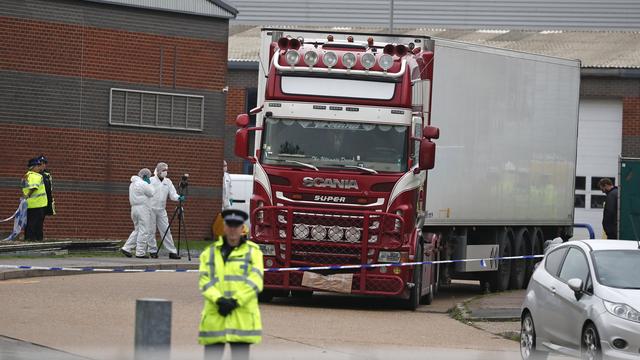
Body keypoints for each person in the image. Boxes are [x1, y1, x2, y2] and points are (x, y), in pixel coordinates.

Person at [198, 209, 263, 360]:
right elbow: (205, 281)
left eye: (237, 225)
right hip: (216, 316)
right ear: (224, 227)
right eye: (230, 225)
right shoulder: (209, 253)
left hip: (241, 318)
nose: (233, 229)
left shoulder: (254, 252)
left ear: (243, 229)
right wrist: (219, 300)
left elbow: (255, 281)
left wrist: (235, 301)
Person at [149, 162, 184, 259]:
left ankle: (172, 251)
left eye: (166, 170)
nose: (165, 172)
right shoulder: (151, 180)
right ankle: (152, 250)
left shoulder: (168, 182)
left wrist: (178, 197)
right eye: (163, 170)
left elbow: (172, 194)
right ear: (159, 171)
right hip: (151, 209)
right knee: (151, 230)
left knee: (166, 230)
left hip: (161, 209)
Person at [121, 168, 156, 258]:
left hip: (134, 209)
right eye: (148, 176)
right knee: (144, 231)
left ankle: (126, 248)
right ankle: (140, 252)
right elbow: (152, 193)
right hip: (143, 209)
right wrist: (150, 184)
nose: (149, 178)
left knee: (137, 230)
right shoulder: (143, 183)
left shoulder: (132, 184)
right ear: (145, 176)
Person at [22, 158, 48, 241]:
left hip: (30, 204)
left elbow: (24, 188)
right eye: (38, 165)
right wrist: (28, 195)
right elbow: (34, 187)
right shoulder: (35, 176)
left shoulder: (26, 175)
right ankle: (33, 239)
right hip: (37, 204)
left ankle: (28, 238)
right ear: (32, 167)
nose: (39, 167)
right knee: (36, 223)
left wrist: (26, 196)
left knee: (29, 222)